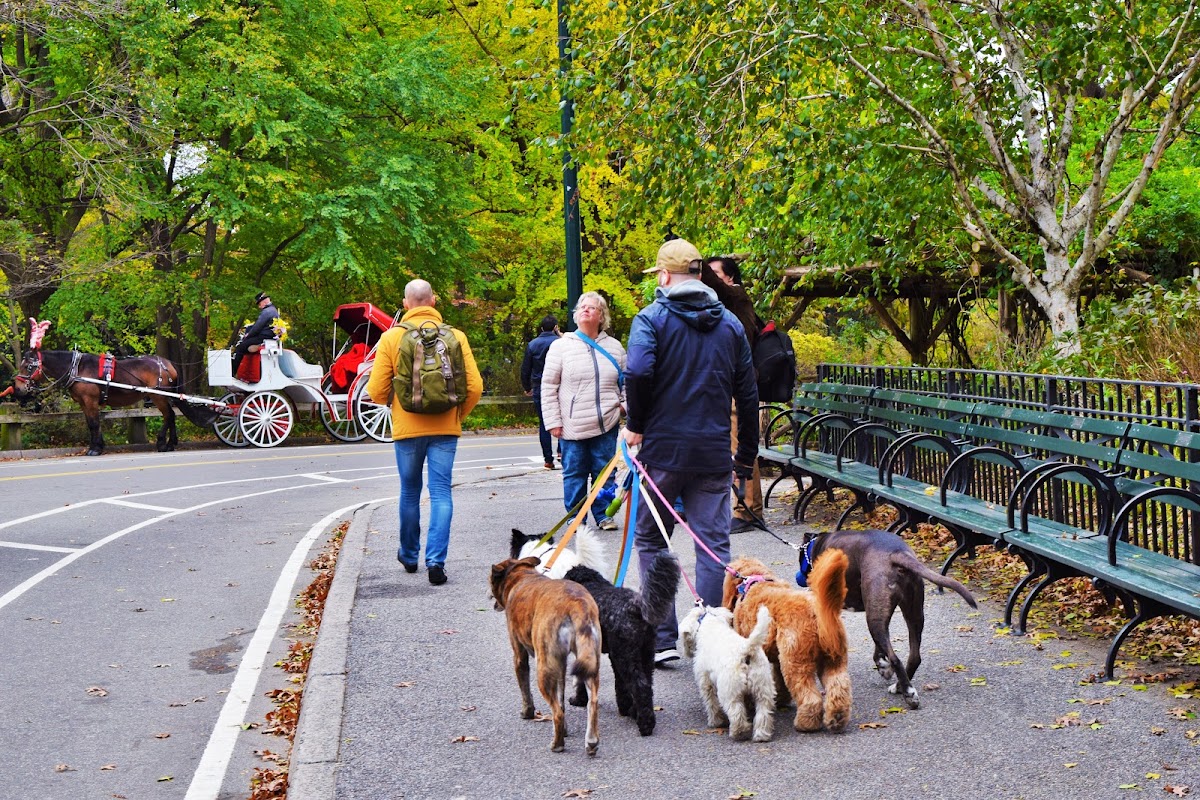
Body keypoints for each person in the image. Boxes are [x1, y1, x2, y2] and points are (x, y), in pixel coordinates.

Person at [624, 239, 758, 665]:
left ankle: (662, 637)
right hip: (713, 451)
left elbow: (639, 370)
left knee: (651, 538)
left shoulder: (651, 319)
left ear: (664, 276)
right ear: (700, 275)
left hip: (662, 450)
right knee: (712, 544)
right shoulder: (730, 326)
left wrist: (636, 425)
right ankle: (708, 636)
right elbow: (749, 393)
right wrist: (746, 454)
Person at [367, 279, 483, 585]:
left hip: (406, 430)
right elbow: (475, 387)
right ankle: (436, 561)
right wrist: (457, 413)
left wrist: (397, 405)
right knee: (441, 493)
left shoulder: (391, 338)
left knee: (409, 492)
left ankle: (408, 555)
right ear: (434, 300)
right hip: (446, 428)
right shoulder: (456, 336)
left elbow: (376, 391)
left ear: (406, 304)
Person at [541, 292, 626, 531]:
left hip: (606, 422)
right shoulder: (561, 347)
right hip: (572, 424)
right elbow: (548, 386)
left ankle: (603, 514)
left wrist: (623, 405)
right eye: (582, 307)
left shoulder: (615, 347)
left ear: (602, 316)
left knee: (604, 472)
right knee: (575, 473)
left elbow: (628, 380)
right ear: (576, 315)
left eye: (593, 307)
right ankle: (575, 518)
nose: (586, 310)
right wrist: (553, 421)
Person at [703, 255, 764, 533]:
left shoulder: (737, 297)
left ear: (729, 278)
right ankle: (741, 508)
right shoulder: (721, 306)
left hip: (739, 389)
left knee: (742, 448)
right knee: (729, 448)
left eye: (715, 274)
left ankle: (749, 511)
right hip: (725, 387)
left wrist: (691, 258)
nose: (709, 279)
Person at [520, 314, 561, 469]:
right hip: (560, 385)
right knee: (563, 419)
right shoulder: (561, 343)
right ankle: (561, 451)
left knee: (544, 423)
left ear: (542, 328)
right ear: (555, 327)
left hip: (540, 386)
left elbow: (525, 369)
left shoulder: (533, 345)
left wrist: (527, 387)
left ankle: (548, 459)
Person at [231, 292, 280, 374]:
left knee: (240, 347)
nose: (259, 306)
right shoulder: (273, 310)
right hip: (267, 337)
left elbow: (257, 328)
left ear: (264, 302)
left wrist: (247, 335)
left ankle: (232, 372)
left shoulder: (267, 312)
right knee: (244, 346)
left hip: (263, 338)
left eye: (259, 304)